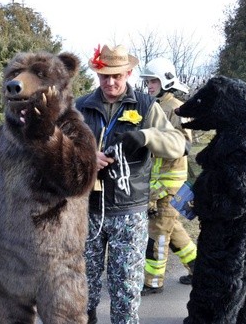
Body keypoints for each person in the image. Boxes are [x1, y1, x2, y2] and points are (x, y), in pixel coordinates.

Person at [75, 44, 186, 324]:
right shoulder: (80, 106)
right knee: (82, 289)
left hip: (130, 213)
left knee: (125, 292)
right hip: (87, 212)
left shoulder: (147, 106)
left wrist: (147, 137)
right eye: (104, 76)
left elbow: (178, 144)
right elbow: (58, 149)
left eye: (117, 76)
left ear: (128, 73)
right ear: (97, 73)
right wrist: (86, 157)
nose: (110, 82)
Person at [139, 58, 197, 295]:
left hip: (168, 186)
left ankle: (153, 282)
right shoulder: (155, 105)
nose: (149, 85)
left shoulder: (177, 108)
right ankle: (199, 269)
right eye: (148, 81)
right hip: (157, 185)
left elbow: (185, 145)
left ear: (165, 81)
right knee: (173, 231)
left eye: (153, 80)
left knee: (158, 235)